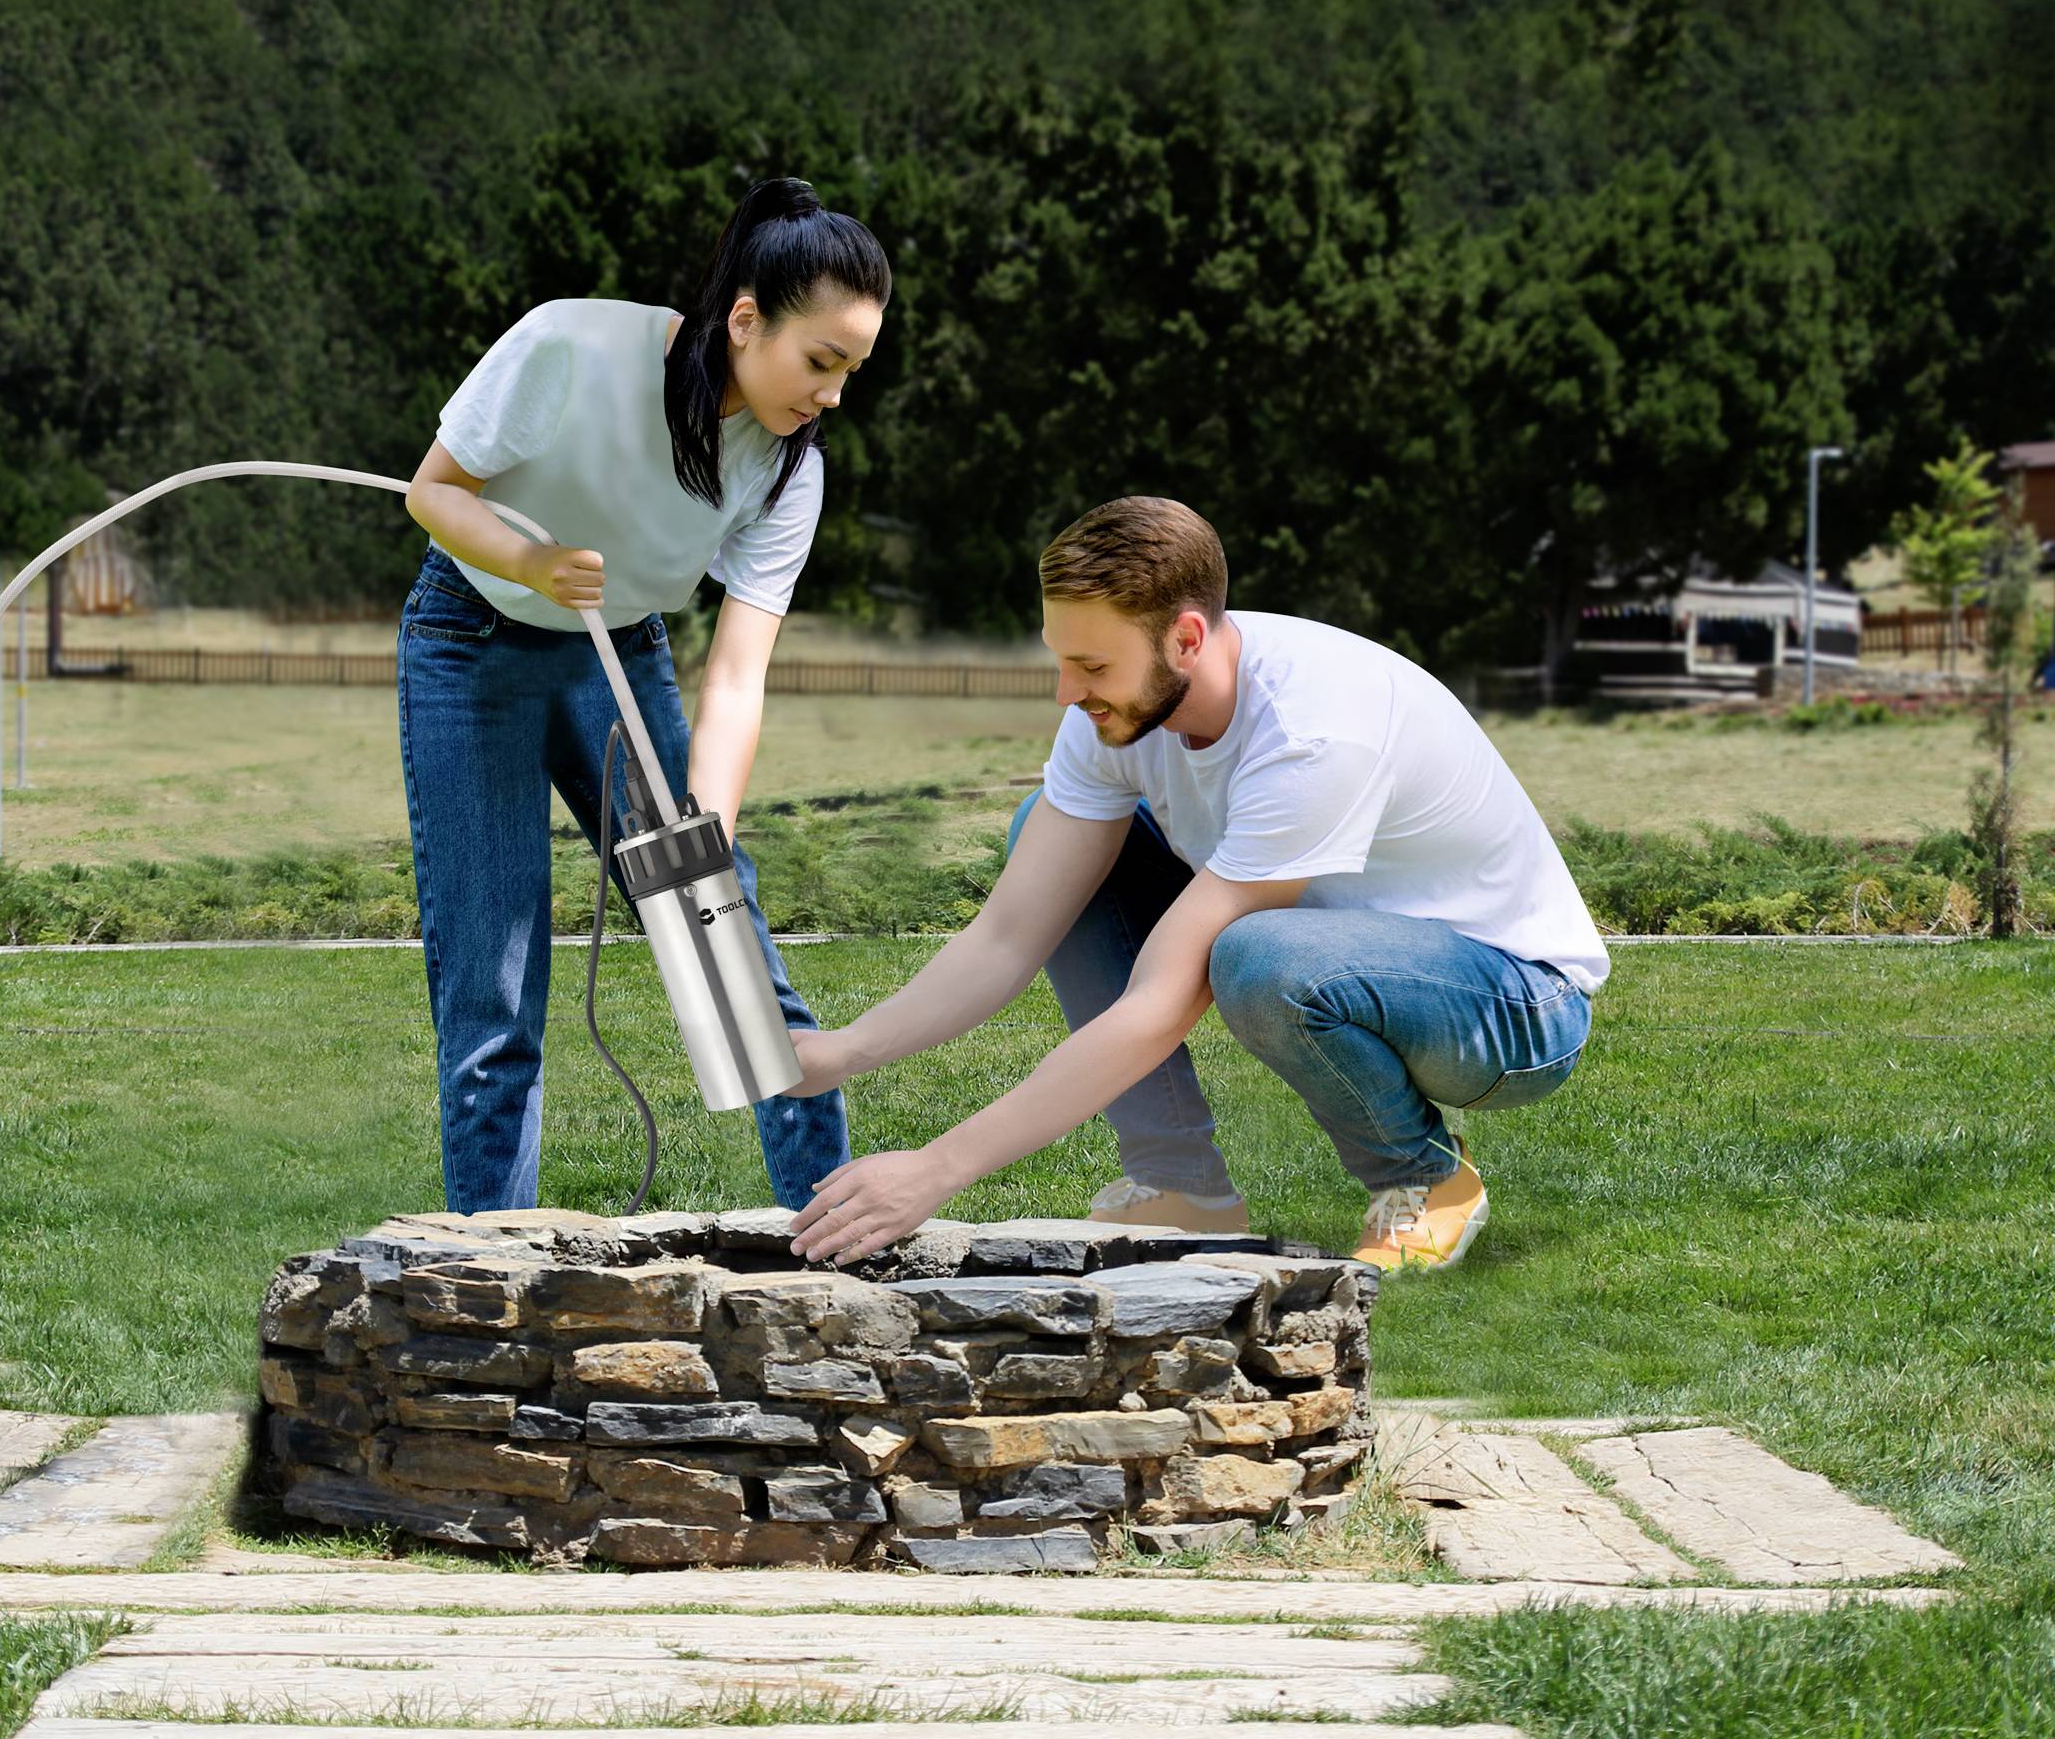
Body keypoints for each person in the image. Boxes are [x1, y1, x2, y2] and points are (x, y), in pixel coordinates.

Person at [782, 495, 1609, 1272]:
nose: (1069, 693)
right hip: (1345, 955)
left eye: (1092, 664)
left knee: (1257, 956)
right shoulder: (1115, 714)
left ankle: (1426, 1180)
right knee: (1052, 826)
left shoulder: (1311, 728)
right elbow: (1010, 934)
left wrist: (936, 1168)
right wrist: (844, 1052)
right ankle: (1185, 1191)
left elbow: (1159, 1004)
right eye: (1061, 659)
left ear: (1184, 638)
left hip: (1513, 1006)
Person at [399, 177, 889, 1213]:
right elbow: (431, 492)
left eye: (851, 371)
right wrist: (528, 565)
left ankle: (833, 1239)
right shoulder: (566, 346)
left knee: (731, 967)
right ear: (746, 320)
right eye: (819, 363)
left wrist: (700, 824)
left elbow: (739, 668)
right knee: (492, 998)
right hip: (468, 648)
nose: (831, 394)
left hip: (615, 659)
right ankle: (487, 1282)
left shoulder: (788, 467)